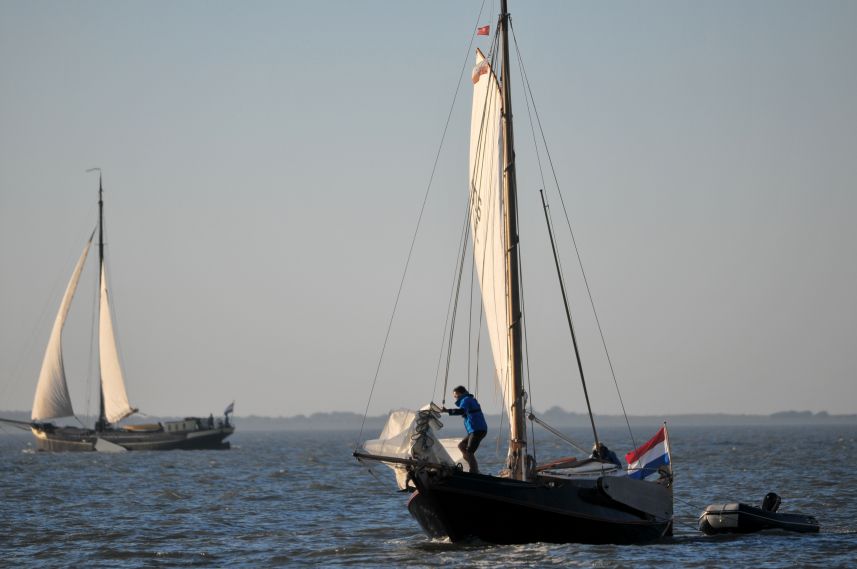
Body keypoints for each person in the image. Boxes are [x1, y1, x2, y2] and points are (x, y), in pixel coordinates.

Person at [442, 386, 488, 474]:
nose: (455, 397)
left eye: (455, 395)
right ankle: (474, 467)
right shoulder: (469, 399)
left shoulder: (466, 400)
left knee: (469, 452)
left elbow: (461, 411)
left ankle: (474, 472)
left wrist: (447, 411)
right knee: (462, 446)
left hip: (477, 430)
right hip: (475, 430)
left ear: (460, 393)